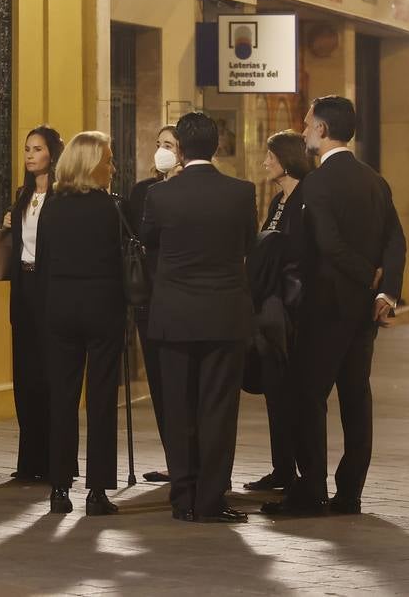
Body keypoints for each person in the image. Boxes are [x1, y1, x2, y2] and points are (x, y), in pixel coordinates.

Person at [263, 96, 406, 518]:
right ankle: (350, 493)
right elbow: (396, 240)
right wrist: (385, 293)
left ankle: (311, 490)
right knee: (356, 399)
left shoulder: (317, 183)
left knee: (308, 397)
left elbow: (327, 244)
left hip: (324, 309)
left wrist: (367, 277)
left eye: (308, 125)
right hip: (364, 314)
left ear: (323, 130)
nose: (304, 131)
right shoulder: (375, 180)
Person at [142, 112, 258, 524]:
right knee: (218, 410)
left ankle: (182, 499)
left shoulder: (160, 195)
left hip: (173, 316)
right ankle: (210, 499)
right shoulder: (241, 193)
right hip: (224, 316)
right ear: (216, 145)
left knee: (178, 409)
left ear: (180, 150)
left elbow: (149, 240)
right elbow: (248, 244)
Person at [36, 131, 126, 516]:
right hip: (102, 308)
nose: (112, 167)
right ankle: (97, 492)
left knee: (62, 398)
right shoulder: (109, 208)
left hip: (60, 308)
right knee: (102, 399)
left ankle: (59, 488)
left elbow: (43, 262)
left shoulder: (52, 207)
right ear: (91, 165)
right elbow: (119, 262)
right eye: (108, 159)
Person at [243, 130, 312, 494]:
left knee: (294, 392)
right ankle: (282, 467)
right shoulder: (277, 201)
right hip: (269, 310)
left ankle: (305, 471)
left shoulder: (307, 199)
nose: (265, 162)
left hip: (294, 310)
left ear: (287, 159)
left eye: (271, 156)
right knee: (274, 389)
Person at [0, 125, 65, 482]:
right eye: (27, 148)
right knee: (26, 374)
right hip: (23, 288)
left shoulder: (63, 196)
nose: (29, 155)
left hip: (50, 288)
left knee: (51, 374)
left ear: (52, 154)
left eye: (37, 149)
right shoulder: (23, 195)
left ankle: (56, 461)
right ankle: (29, 462)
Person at [124, 125, 181, 483]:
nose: (161, 150)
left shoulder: (190, 190)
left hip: (181, 297)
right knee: (159, 382)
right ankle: (174, 458)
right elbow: (136, 238)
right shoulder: (143, 191)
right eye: (159, 143)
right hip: (150, 295)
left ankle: (192, 459)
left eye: (169, 145)